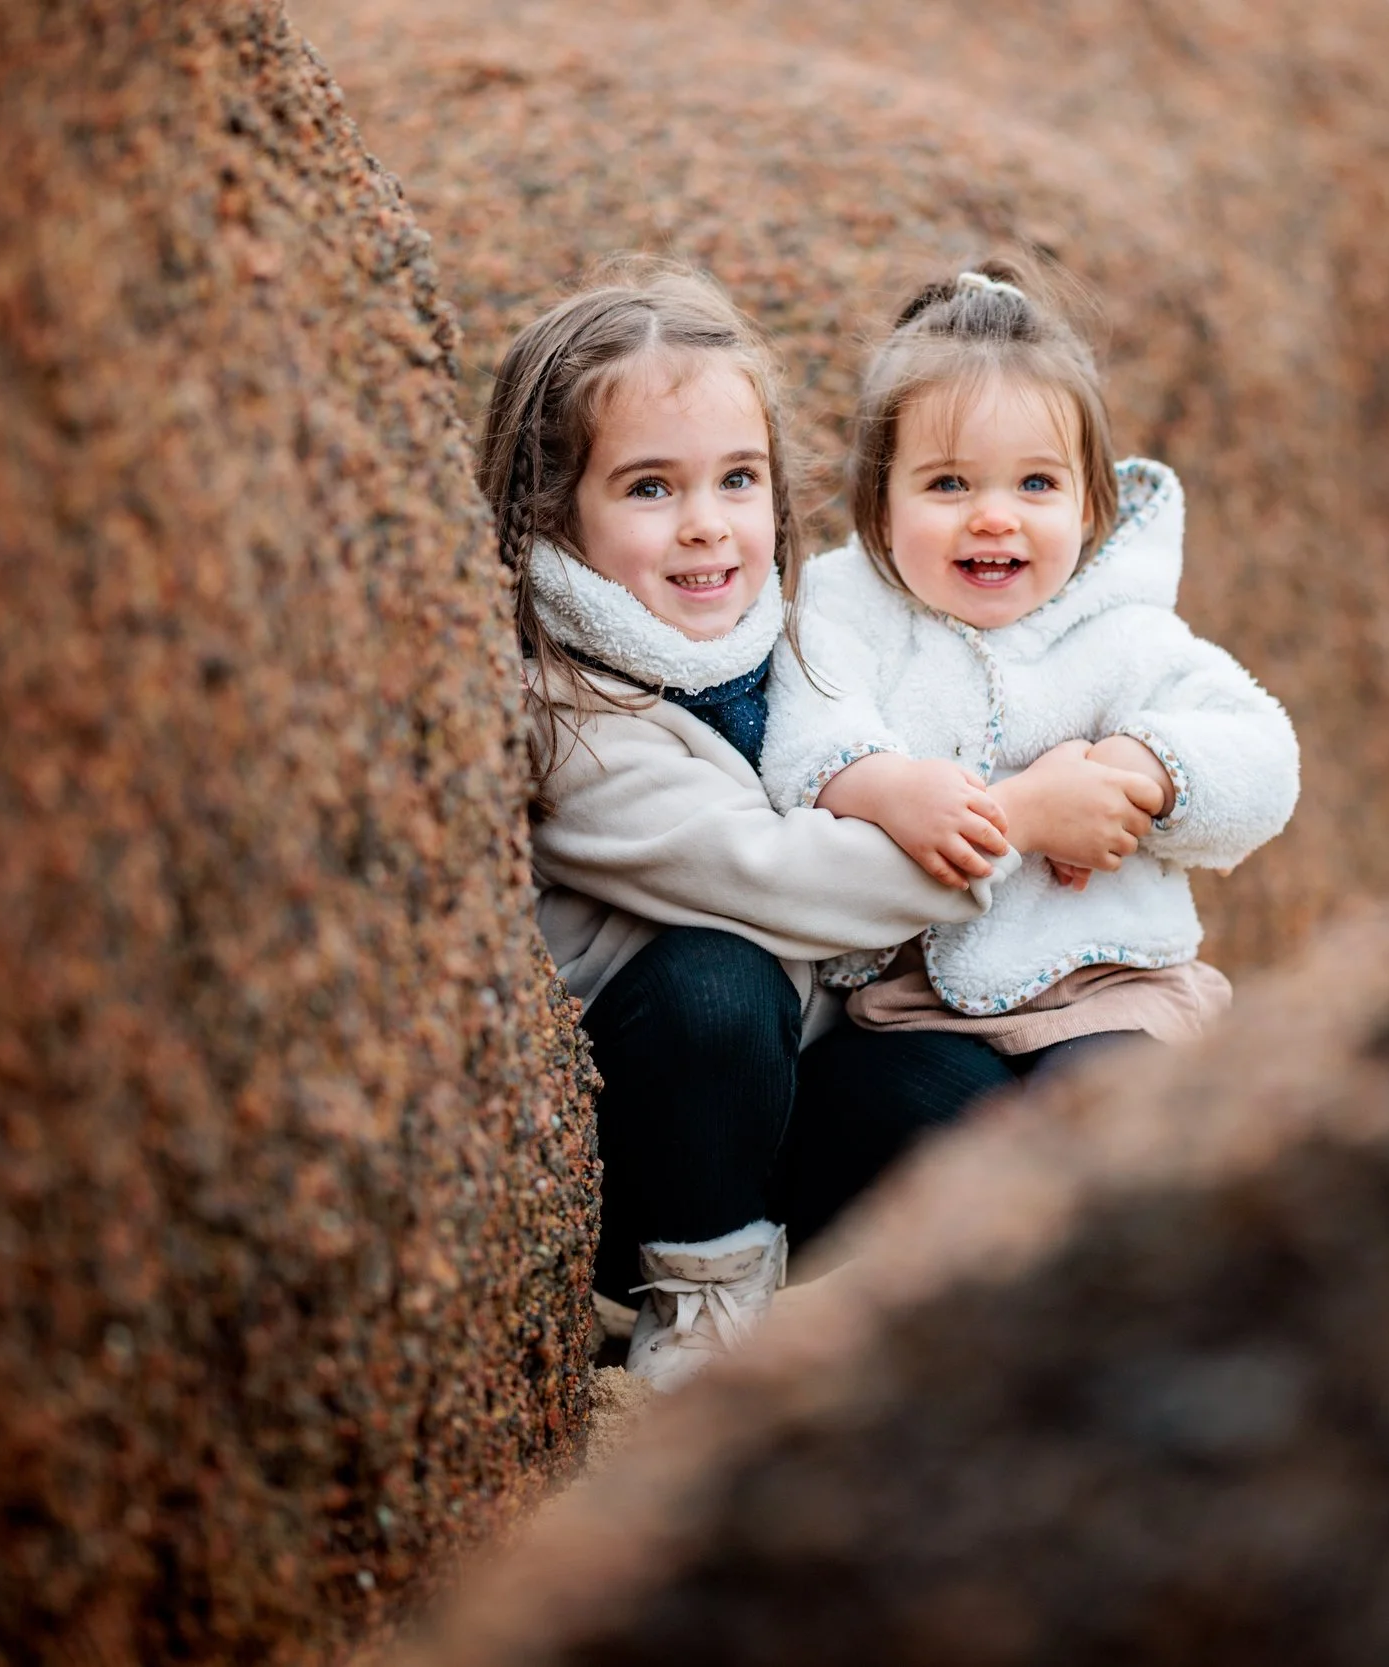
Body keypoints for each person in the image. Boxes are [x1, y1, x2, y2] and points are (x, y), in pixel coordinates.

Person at [474, 260, 1155, 1391]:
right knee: (714, 978)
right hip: (646, 1138)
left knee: (956, 1084)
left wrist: (1130, 764)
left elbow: (889, 749)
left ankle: (813, 1282)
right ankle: (694, 1298)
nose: (707, 529)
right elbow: (787, 876)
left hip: (789, 1096)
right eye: (649, 488)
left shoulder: (787, 632)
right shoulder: (574, 720)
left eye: (737, 479)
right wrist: (1026, 815)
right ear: (553, 507)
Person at [762, 259, 1300, 1089]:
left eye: (1037, 482)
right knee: (890, 1117)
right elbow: (805, 739)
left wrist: (1141, 768)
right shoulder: (845, 610)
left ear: (1088, 504)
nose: (994, 514)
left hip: (1116, 988)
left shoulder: (1123, 628)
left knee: (1102, 1116)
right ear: (880, 504)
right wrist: (879, 785)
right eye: (947, 483)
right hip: (911, 1004)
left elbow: (1264, 756)